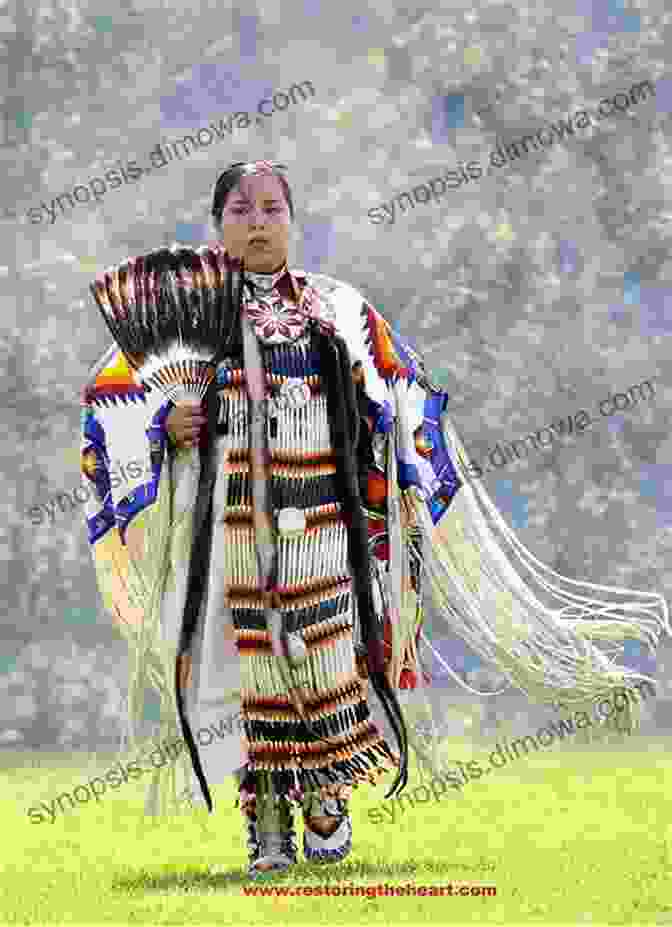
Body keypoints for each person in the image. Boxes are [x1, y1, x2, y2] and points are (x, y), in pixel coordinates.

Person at [80, 160, 669, 879]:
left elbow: (402, 392)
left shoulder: (340, 310)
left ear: (293, 221)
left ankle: (328, 794)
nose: (258, 222)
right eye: (241, 209)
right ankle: (265, 812)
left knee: (329, 654)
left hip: (329, 527)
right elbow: (113, 408)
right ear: (217, 224)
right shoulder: (186, 315)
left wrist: (377, 419)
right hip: (230, 531)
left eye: (271, 207)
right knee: (250, 665)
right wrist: (167, 423)